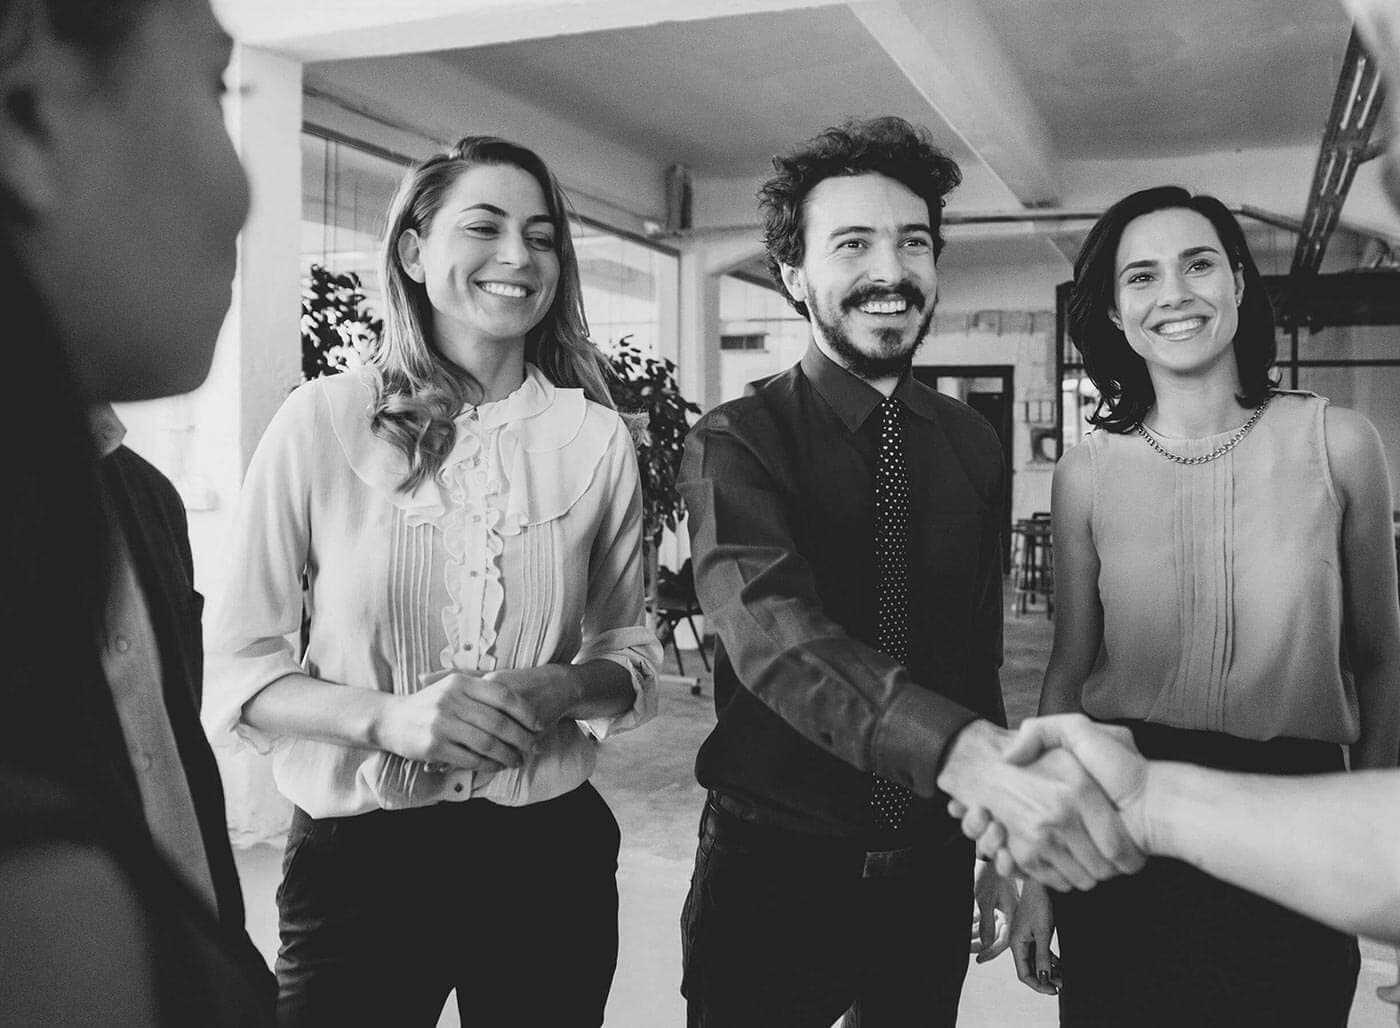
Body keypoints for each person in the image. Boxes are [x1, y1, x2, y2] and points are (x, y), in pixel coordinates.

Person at [675, 115, 1143, 1028]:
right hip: (773, 875)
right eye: (852, 244)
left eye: (914, 243)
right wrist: (969, 759)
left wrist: (996, 845)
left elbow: (971, 660)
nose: (890, 271)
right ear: (793, 274)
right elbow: (780, 642)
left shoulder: (970, 442)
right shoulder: (735, 442)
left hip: (929, 870)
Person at [203, 135, 661, 1027]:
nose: (518, 256)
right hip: (357, 862)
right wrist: (388, 719)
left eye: (541, 236)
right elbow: (236, 665)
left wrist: (563, 687)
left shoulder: (598, 439)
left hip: (550, 861)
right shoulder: (321, 421)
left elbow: (629, 653)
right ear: (413, 253)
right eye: (483, 227)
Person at [998, 183, 1400, 1026]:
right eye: (1141, 276)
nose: (1174, 293)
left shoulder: (1340, 444)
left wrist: (1368, 841)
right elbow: (1068, 673)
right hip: (1119, 825)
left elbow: (1382, 661)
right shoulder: (1087, 472)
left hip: (1295, 822)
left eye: (1199, 264)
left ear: (1239, 283)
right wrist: (1037, 869)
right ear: (1115, 313)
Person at [0, 0, 274, 1022]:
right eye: (213, 85)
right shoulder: (39, 912)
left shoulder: (133, 501)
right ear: (29, 116)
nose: (242, 192)